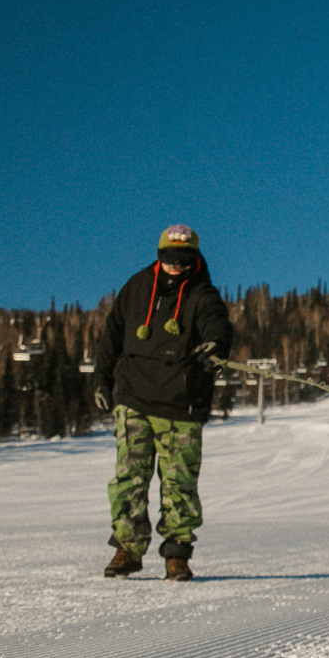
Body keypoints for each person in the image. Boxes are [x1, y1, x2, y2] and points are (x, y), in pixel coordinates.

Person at [95, 225, 231, 581]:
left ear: (195, 258)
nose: (175, 265)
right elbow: (112, 333)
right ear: (159, 255)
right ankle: (127, 548)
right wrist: (101, 379)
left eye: (183, 259)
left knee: (179, 482)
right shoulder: (137, 287)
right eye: (168, 257)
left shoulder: (204, 294)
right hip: (133, 396)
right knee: (129, 477)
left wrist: (215, 344)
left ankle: (177, 553)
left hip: (180, 403)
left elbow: (217, 325)